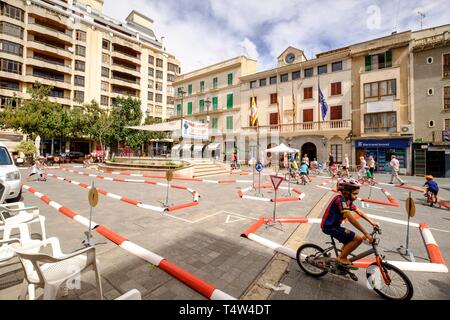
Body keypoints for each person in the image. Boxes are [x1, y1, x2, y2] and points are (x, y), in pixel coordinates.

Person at [321, 178, 380, 268]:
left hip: (335, 226)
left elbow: (358, 211)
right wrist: (366, 233)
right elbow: (351, 219)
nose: (356, 196)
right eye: (355, 194)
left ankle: (341, 260)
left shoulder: (347, 200)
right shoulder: (340, 200)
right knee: (358, 239)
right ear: (346, 192)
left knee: (351, 239)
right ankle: (341, 258)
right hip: (329, 227)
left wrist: (372, 222)